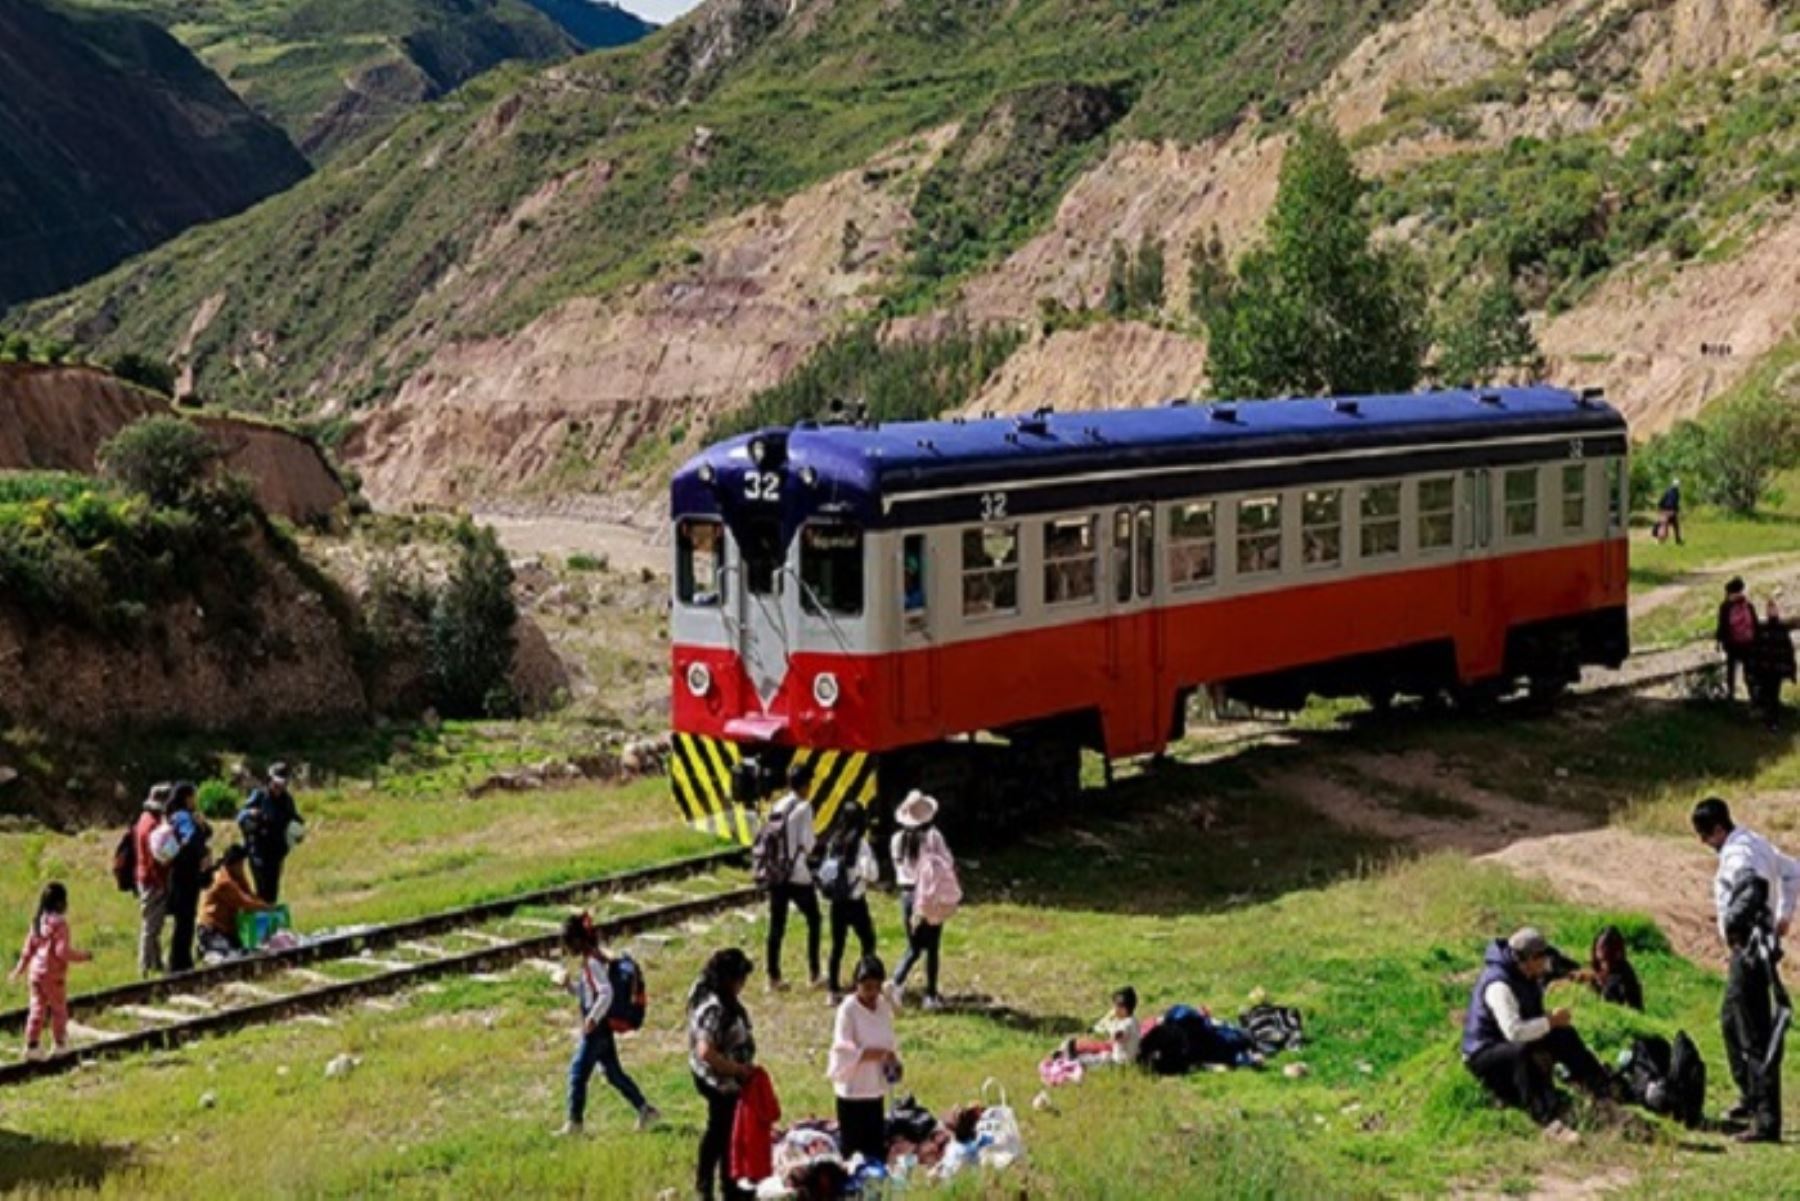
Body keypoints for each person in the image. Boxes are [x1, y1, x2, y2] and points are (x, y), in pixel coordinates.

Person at [1692, 797, 1798, 1143]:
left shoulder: (1738, 855)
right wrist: (1784, 915)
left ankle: (1766, 1121)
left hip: (1749, 951)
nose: (1703, 843)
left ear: (1718, 830)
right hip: (1758, 946)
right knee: (1729, 1021)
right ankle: (1749, 1097)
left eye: (1705, 836)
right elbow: (1793, 870)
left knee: (1754, 1035)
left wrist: (1735, 924)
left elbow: (1753, 887)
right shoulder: (1756, 842)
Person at [1460, 927, 1611, 1141]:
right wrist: (1548, 1021)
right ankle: (1548, 1121)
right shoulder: (1499, 985)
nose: (1546, 962)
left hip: (1510, 1039)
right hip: (1484, 1051)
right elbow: (1513, 1031)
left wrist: (1552, 1021)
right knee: (1519, 1052)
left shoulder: (1526, 973)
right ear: (1529, 959)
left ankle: (1600, 1089)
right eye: (1542, 958)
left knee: (1563, 1034)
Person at [555, 914, 659, 1137]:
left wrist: (592, 1019)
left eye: (567, 943)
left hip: (596, 1031)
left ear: (577, 941)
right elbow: (589, 994)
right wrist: (569, 987)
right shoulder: (594, 959)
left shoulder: (592, 962)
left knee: (577, 1073)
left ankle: (575, 1124)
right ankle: (645, 1109)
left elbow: (605, 993)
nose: (566, 948)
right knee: (613, 1074)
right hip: (602, 1029)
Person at [688, 947, 757, 1201]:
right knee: (724, 1132)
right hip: (718, 1080)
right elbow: (706, 1050)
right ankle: (723, 1186)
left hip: (713, 1076)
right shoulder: (716, 1008)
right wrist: (737, 1069)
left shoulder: (703, 987)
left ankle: (711, 1184)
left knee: (719, 1130)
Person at [827, 954, 901, 1166]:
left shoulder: (882, 1007)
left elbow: (889, 1040)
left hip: (874, 1088)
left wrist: (893, 1060)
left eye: (875, 988)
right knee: (853, 1154)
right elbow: (844, 1050)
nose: (871, 993)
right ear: (857, 985)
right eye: (866, 987)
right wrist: (876, 1054)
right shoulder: (848, 1010)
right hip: (852, 1091)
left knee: (875, 1149)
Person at [10, 882, 91, 1060]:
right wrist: (83, 956)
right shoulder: (61, 925)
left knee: (37, 1008)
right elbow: (61, 952)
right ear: (61, 903)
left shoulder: (38, 921)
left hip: (35, 973)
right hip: (53, 974)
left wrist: (19, 969)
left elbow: (28, 949)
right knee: (58, 1009)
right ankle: (60, 1044)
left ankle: (32, 1045)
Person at [890, 791, 952, 1010]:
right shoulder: (933, 837)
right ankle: (931, 995)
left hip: (906, 895)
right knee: (932, 946)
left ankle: (896, 982)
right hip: (928, 895)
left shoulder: (897, 840)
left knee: (914, 946)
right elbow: (947, 862)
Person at [764, 762, 821, 991]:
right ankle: (814, 973)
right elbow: (808, 844)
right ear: (805, 785)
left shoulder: (778, 805)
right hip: (797, 874)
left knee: (777, 925)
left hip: (776, 873)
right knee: (814, 920)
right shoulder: (804, 808)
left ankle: (773, 977)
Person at [820, 800, 880, 1001]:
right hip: (856, 902)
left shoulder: (833, 841)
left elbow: (826, 870)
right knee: (868, 940)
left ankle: (833, 989)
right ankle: (863, 979)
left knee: (837, 946)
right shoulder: (861, 844)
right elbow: (871, 874)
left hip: (837, 901)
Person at [164, 782, 211, 974]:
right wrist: (202, 856)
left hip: (182, 875)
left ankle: (181, 960)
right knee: (185, 919)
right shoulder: (182, 817)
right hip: (186, 876)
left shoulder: (176, 816)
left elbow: (206, 832)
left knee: (185, 919)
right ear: (186, 798)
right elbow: (191, 839)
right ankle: (179, 962)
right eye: (193, 796)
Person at [238, 763, 303, 904]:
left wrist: (298, 831)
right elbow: (241, 816)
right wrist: (251, 813)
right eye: (277, 783)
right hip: (258, 853)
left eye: (283, 784)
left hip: (277, 853)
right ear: (270, 780)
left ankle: (269, 921)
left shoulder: (287, 800)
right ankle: (262, 921)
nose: (279, 788)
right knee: (262, 891)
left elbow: (294, 820)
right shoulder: (259, 795)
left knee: (272, 893)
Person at [197, 845, 271, 961]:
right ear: (234, 864)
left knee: (248, 950)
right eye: (241, 864)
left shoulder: (236, 876)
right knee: (229, 956)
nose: (242, 867)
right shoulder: (223, 881)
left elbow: (249, 894)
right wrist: (266, 908)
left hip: (228, 928)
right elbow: (243, 902)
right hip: (212, 929)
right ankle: (207, 949)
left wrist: (262, 904)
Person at [132, 783, 172, 977]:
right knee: (150, 927)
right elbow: (160, 854)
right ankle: (144, 966)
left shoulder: (143, 820)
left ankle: (156, 963)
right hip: (153, 879)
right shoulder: (153, 825)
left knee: (154, 926)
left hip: (145, 878)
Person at [1060, 986, 1143, 1066]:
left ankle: (1074, 1059)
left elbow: (1118, 1034)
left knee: (1101, 1058)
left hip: (1121, 1063)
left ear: (1123, 1009)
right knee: (1104, 1055)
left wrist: (1109, 1026)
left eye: (1116, 1006)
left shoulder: (1126, 1025)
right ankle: (1073, 1054)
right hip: (1126, 1058)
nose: (1114, 1009)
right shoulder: (1133, 1020)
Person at [1748, 597, 1795, 732]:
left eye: (1773, 609)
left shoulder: (1779, 630)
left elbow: (1787, 651)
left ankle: (1772, 721)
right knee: (1768, 695)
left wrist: (1791, 670)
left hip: (1774, 670)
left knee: (1773, 696)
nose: (1772, 612)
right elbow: (1756, 650)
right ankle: (1769, 721)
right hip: (1765, 669)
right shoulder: (1763, 629)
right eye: (1770, 609)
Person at [1717, 578, 1759, 702]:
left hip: (1738, 644)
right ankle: (1749, 695)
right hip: (1743, 643)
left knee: (1736, 670)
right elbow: (1755, 625)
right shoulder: (1747, 605)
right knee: (1745, 670)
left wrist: (1720, 641)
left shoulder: (1726, 606)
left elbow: (1722, 625)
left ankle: (1735, 694)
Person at [1584, 926, 1643, 1012]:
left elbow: (1628, 1005)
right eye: (1599, 946)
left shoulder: (1623, 975)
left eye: (1604, 946)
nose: (1600, 949)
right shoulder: (1596, 969)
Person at [1655, 478, 1683, 545]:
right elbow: (1672, 503)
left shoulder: (1667, 491)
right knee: (1670, 526)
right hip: (1669, 511)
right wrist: (1674, 510)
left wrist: (1660, 509)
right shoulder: (1675, 492)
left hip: (1665, 510)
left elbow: (1661, 500)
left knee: (1667, 526)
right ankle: (1675, 540)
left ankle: (1676, 540)